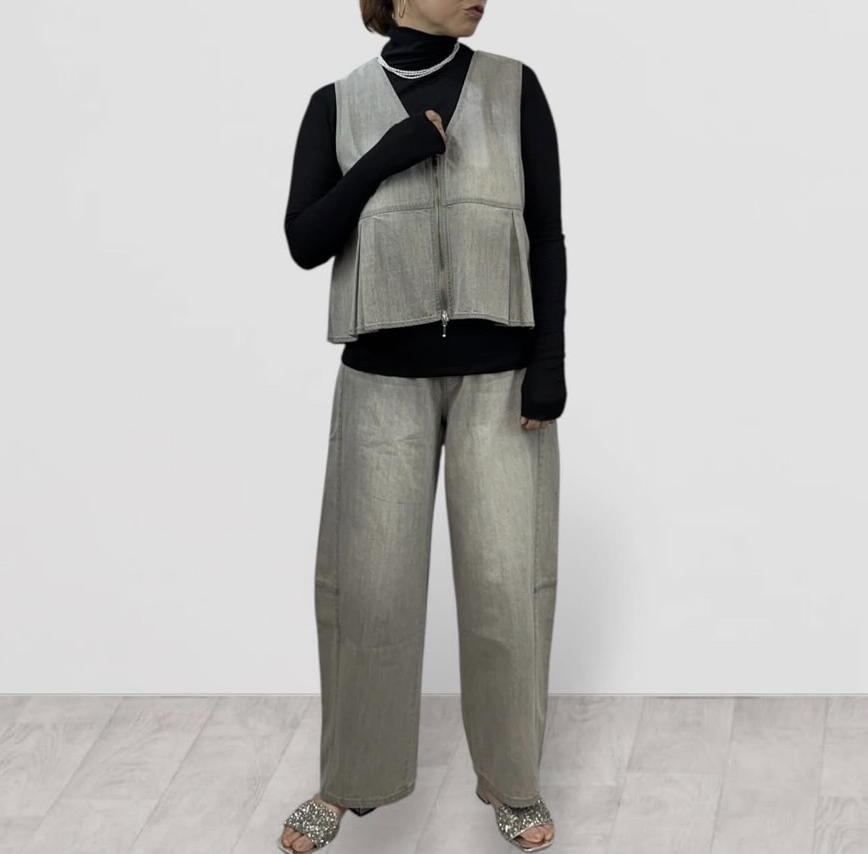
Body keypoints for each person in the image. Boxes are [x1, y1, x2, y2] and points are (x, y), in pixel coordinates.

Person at [279, 0, 566, 850]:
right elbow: (304, 241)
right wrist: (382, 158)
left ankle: (512, 783)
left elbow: (546, 235)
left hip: (500, 380)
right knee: (368, 594)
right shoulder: (336, 104)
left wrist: (549, 360)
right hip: (380, 382)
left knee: (507, 590)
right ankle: (350, 781)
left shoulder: (515, 89)